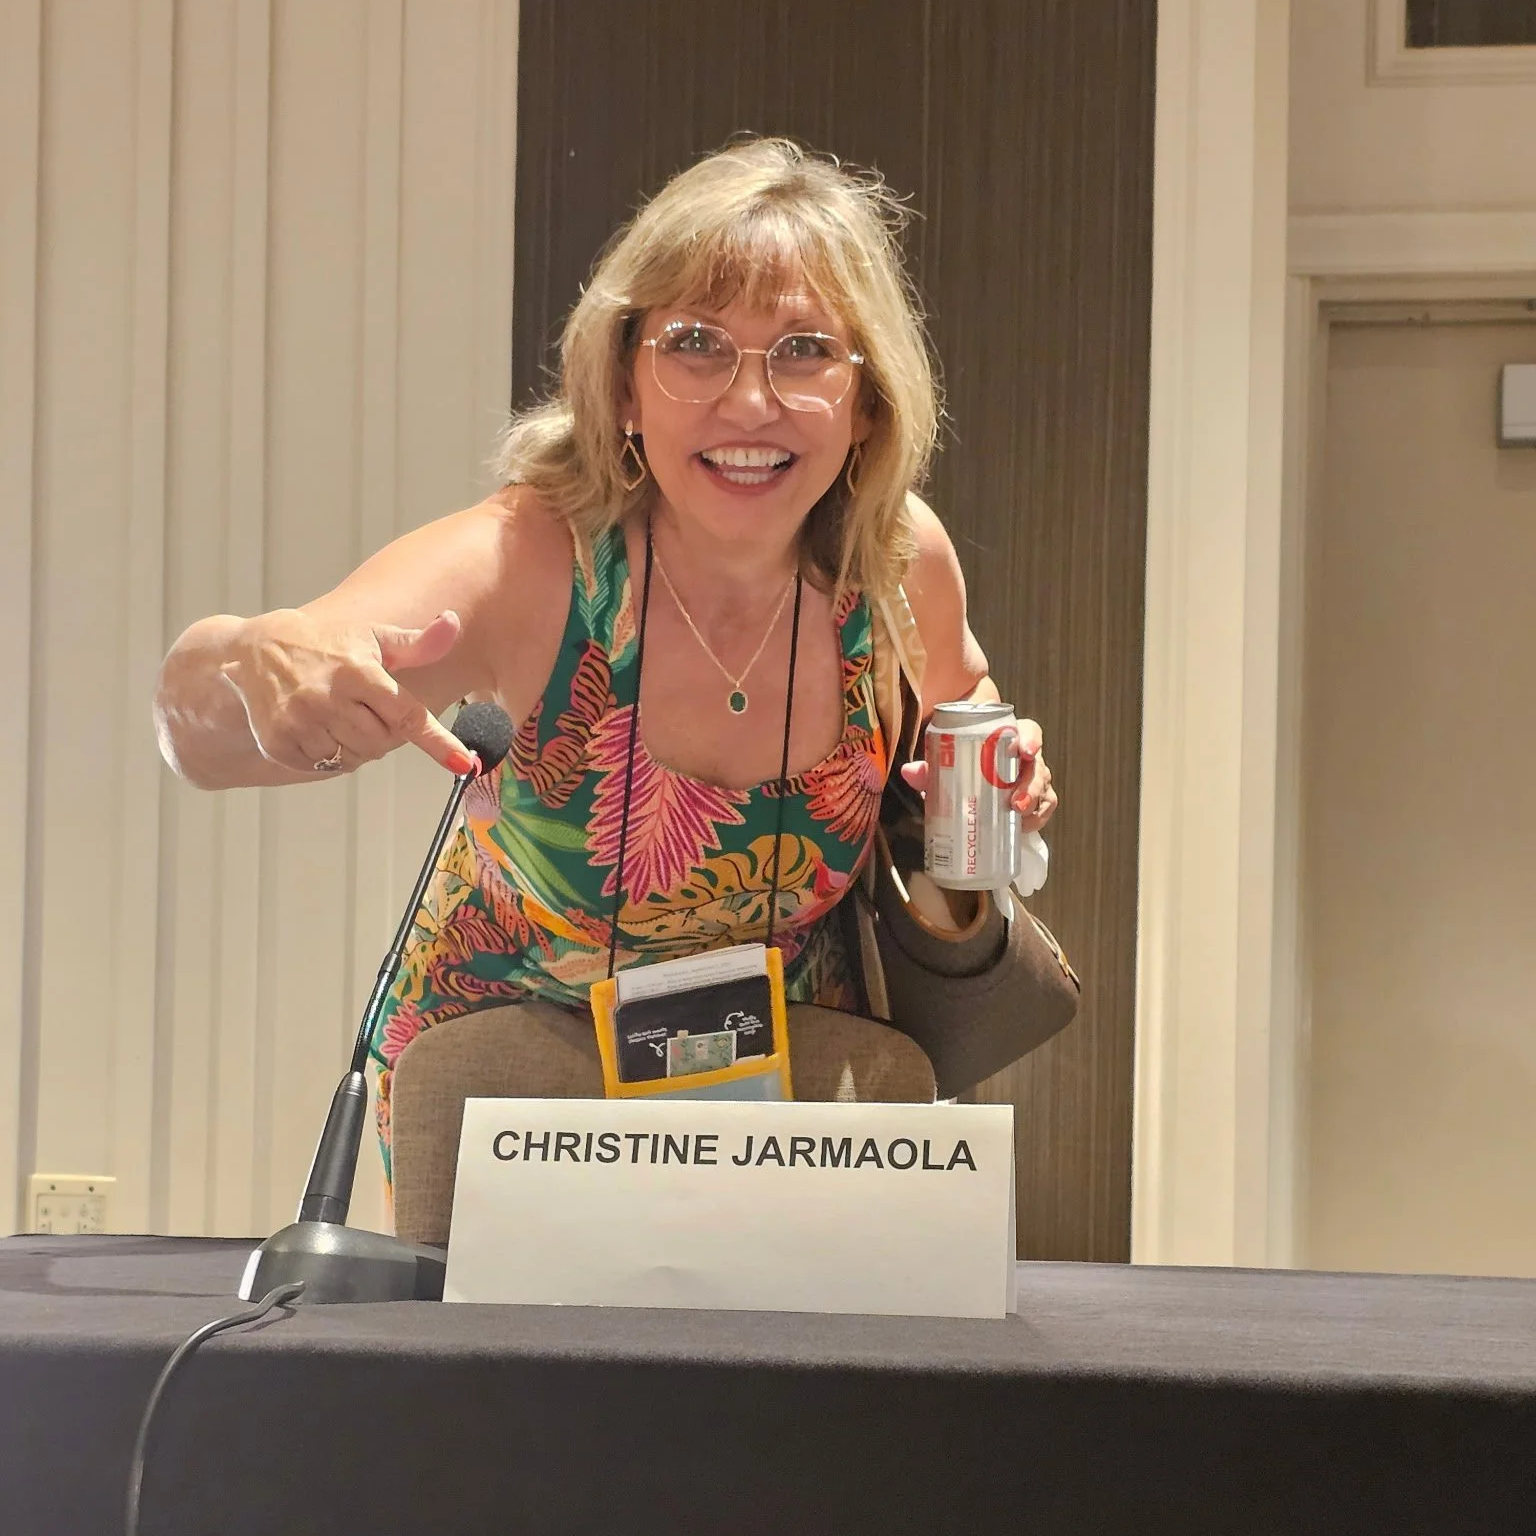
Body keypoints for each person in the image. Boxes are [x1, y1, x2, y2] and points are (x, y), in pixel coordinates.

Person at [153, 137, 1057, 1187]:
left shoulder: (897, 562)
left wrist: (997, 772)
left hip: (788, 1093)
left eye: (805, 350)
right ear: (624, 384)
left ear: (866, 404)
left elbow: (960, 696)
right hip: (512, 1096)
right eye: (696, 344)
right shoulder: (529, 561)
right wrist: (252, 658)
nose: (750, 402)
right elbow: (202, 728)